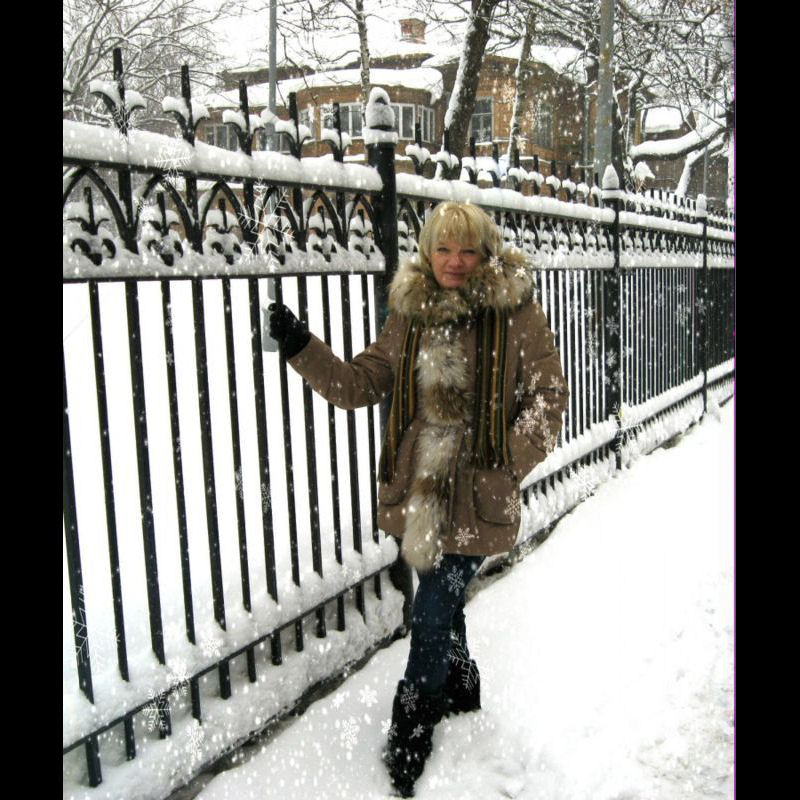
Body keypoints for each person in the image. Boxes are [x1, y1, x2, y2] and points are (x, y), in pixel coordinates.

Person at [268, 202, 569, 797]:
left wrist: (503, 461)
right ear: (427, 253)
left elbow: (548, 397)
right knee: (442, 604)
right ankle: (460, 680)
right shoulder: (411, 313)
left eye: (468, 251)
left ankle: (413, 718)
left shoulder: (515, 313)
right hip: (423, 498)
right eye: (443, 249)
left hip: (478, 497)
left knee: (430, 611)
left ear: (486, 254)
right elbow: (360, 384)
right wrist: (303, 346)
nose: (455, 262)